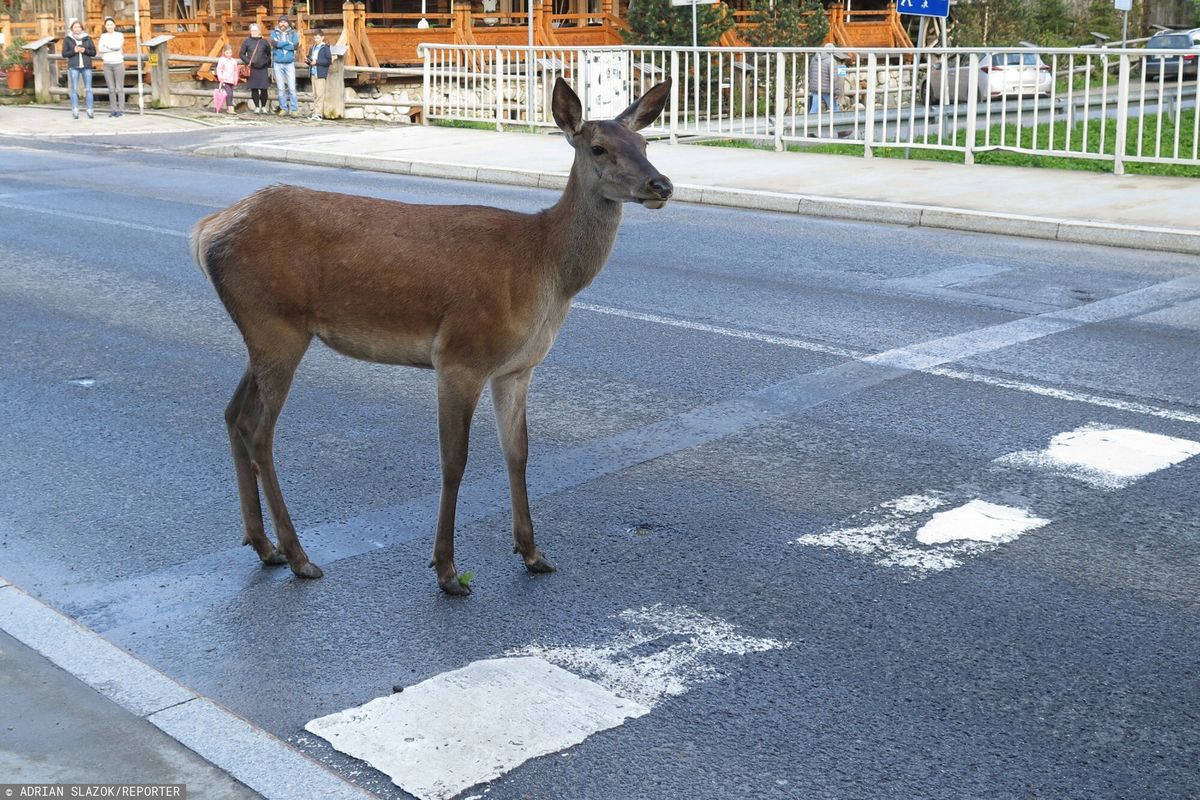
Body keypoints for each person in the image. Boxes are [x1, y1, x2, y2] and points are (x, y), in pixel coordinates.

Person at [62, 19, 96, 120]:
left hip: (86, 66)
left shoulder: (87, 38)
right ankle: (75, 110)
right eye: (75, 27)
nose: (77, 28)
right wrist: (74, 50)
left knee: (89, 89)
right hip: (74, 67)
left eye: (79, 27)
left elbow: (93, 52)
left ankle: (90, 110)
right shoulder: (68, 39)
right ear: (72, 28)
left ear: (82, 28)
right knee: (74, 89)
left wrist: (85, 50)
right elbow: (64, 54)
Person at [269, 15, 299, 116]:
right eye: (281, 22)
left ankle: (294, 109)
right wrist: (287, 43)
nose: (283, 24)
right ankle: (283, 108)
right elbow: (274, 44)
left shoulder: (293, 33)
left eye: (285, 22)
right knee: (281, 88)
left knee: (292, 87)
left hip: (289, 63)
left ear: (288, 23)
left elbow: (295, 46)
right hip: (278, 63)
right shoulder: (274, 33)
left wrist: (280, 44)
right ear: (278, 23)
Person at [239, 23, 272, 115]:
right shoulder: (247, 41)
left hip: (263, 68)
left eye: (255, 30)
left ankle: (264, 106)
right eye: (252, 30)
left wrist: (266, 62)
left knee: (264, 89)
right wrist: (248, 61)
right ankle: (257, 106)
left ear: (259, 31)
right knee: (254, 89)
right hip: (252, 68)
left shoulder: (264, 42)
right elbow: (241, 54)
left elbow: (269, 54)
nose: (254, 32)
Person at [97, 17, 125, 118]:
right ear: (105, 26)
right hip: (107, 64)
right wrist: (111, 48)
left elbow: (117, 46)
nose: (109, 26)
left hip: (118, 64)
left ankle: (121, 109)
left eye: (111, 24)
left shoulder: (119, 35)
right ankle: (113, 109)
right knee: (111, 88)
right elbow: (100, 49)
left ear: (114, 25)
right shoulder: (103, 36)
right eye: (107, 24)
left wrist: (107, 47)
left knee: (119, 88)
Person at [808, 42, 842, 115]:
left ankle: (809, 124)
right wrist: (837, 92)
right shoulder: (832, 61)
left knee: (814, 108)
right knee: (835, 108)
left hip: (815, 88)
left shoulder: (814, 59)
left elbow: (810, 72)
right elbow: (834, 78)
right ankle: (836, 124)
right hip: (827, 90)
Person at [306, 28, 331, 121]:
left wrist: (317, 62)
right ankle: (315, 113)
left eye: (318, 38)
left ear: (322, 38)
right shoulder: (312, 48)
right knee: (315, 94)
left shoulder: (325, 48)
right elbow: (310, 58)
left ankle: (319, 114)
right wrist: (308, 61)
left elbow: (328, 61)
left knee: (320, 94)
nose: (316, 40)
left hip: (320, 73)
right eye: (315, 38)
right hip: (313, 73)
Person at [215, 44, 239, 114]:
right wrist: (221, 78)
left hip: (231, 80)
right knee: (229, 94)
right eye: (227, 53)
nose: (229, 54)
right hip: (225, 80)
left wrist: (235, 79)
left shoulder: (233, 61)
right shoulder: (222, 60)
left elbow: (235, 70)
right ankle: (230, 108)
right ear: (224, 52)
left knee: (231, 94)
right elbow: (219, 69)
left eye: (230, 53)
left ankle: (230, 107)